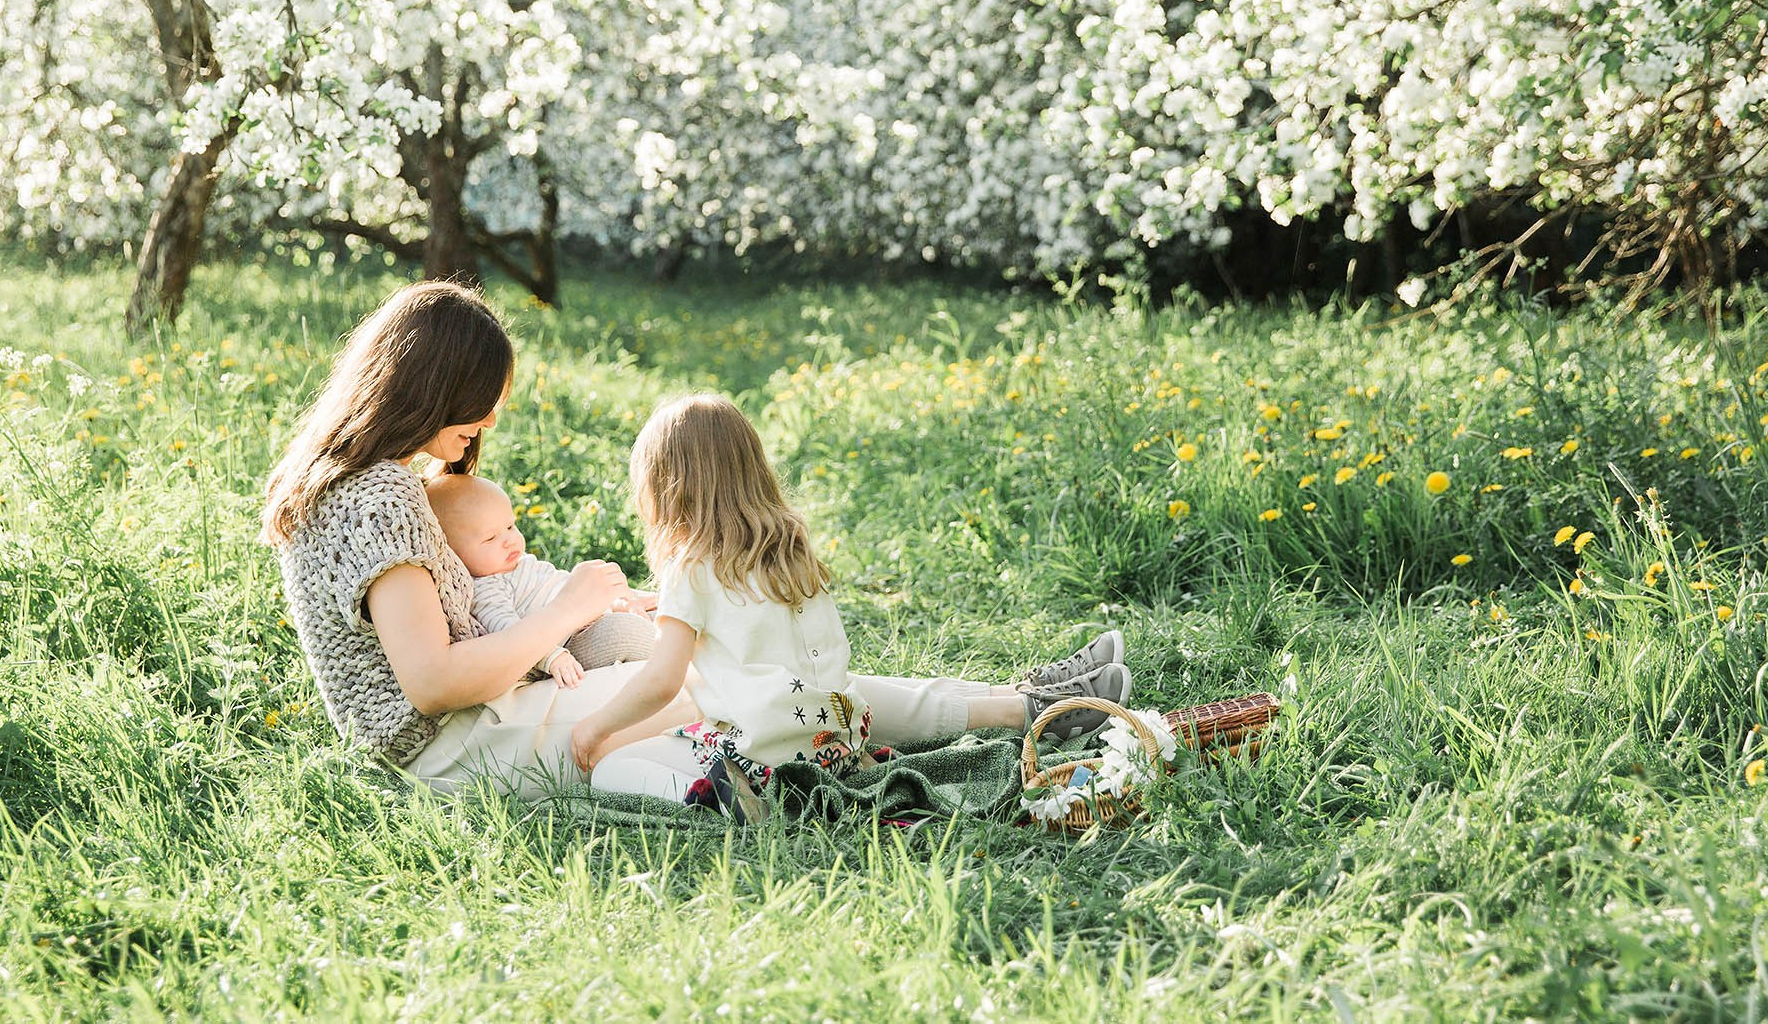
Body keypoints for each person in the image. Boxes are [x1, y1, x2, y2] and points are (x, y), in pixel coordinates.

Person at [570, 393, 1130, 812]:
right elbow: (747, 619)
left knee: (616, 768)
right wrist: (669, 607)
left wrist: (593, 728)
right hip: (833, 745)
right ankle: (1043, 698)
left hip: (761, 760)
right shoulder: (785, 545)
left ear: (668, 489)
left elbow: (662, 681)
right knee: (867, 688)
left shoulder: (690, 567)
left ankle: (721, 800)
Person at [259, 281, 697, 799]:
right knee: (711, 682)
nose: (489, 419)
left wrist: (593, 605)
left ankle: (678, 766)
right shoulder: (378, 497)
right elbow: (433, 683)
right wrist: (567, 611)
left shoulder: (354, 480)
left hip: (470, 727)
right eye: (479, 399)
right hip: (455, 747)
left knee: (683, 667)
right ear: (432, 387)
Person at [426, 473, 658, 688]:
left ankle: (665, 644)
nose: (509, 540)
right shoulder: (487, 588)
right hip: (568, 644)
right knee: (625, 632)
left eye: (510, 526)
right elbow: (508, 633)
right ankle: (668, 662)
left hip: (589, 618)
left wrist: (617, 601)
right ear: (454, 555)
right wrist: (552, 657)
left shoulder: (520, 562)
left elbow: (563, 586)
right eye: (490, 538)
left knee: (658, 612)